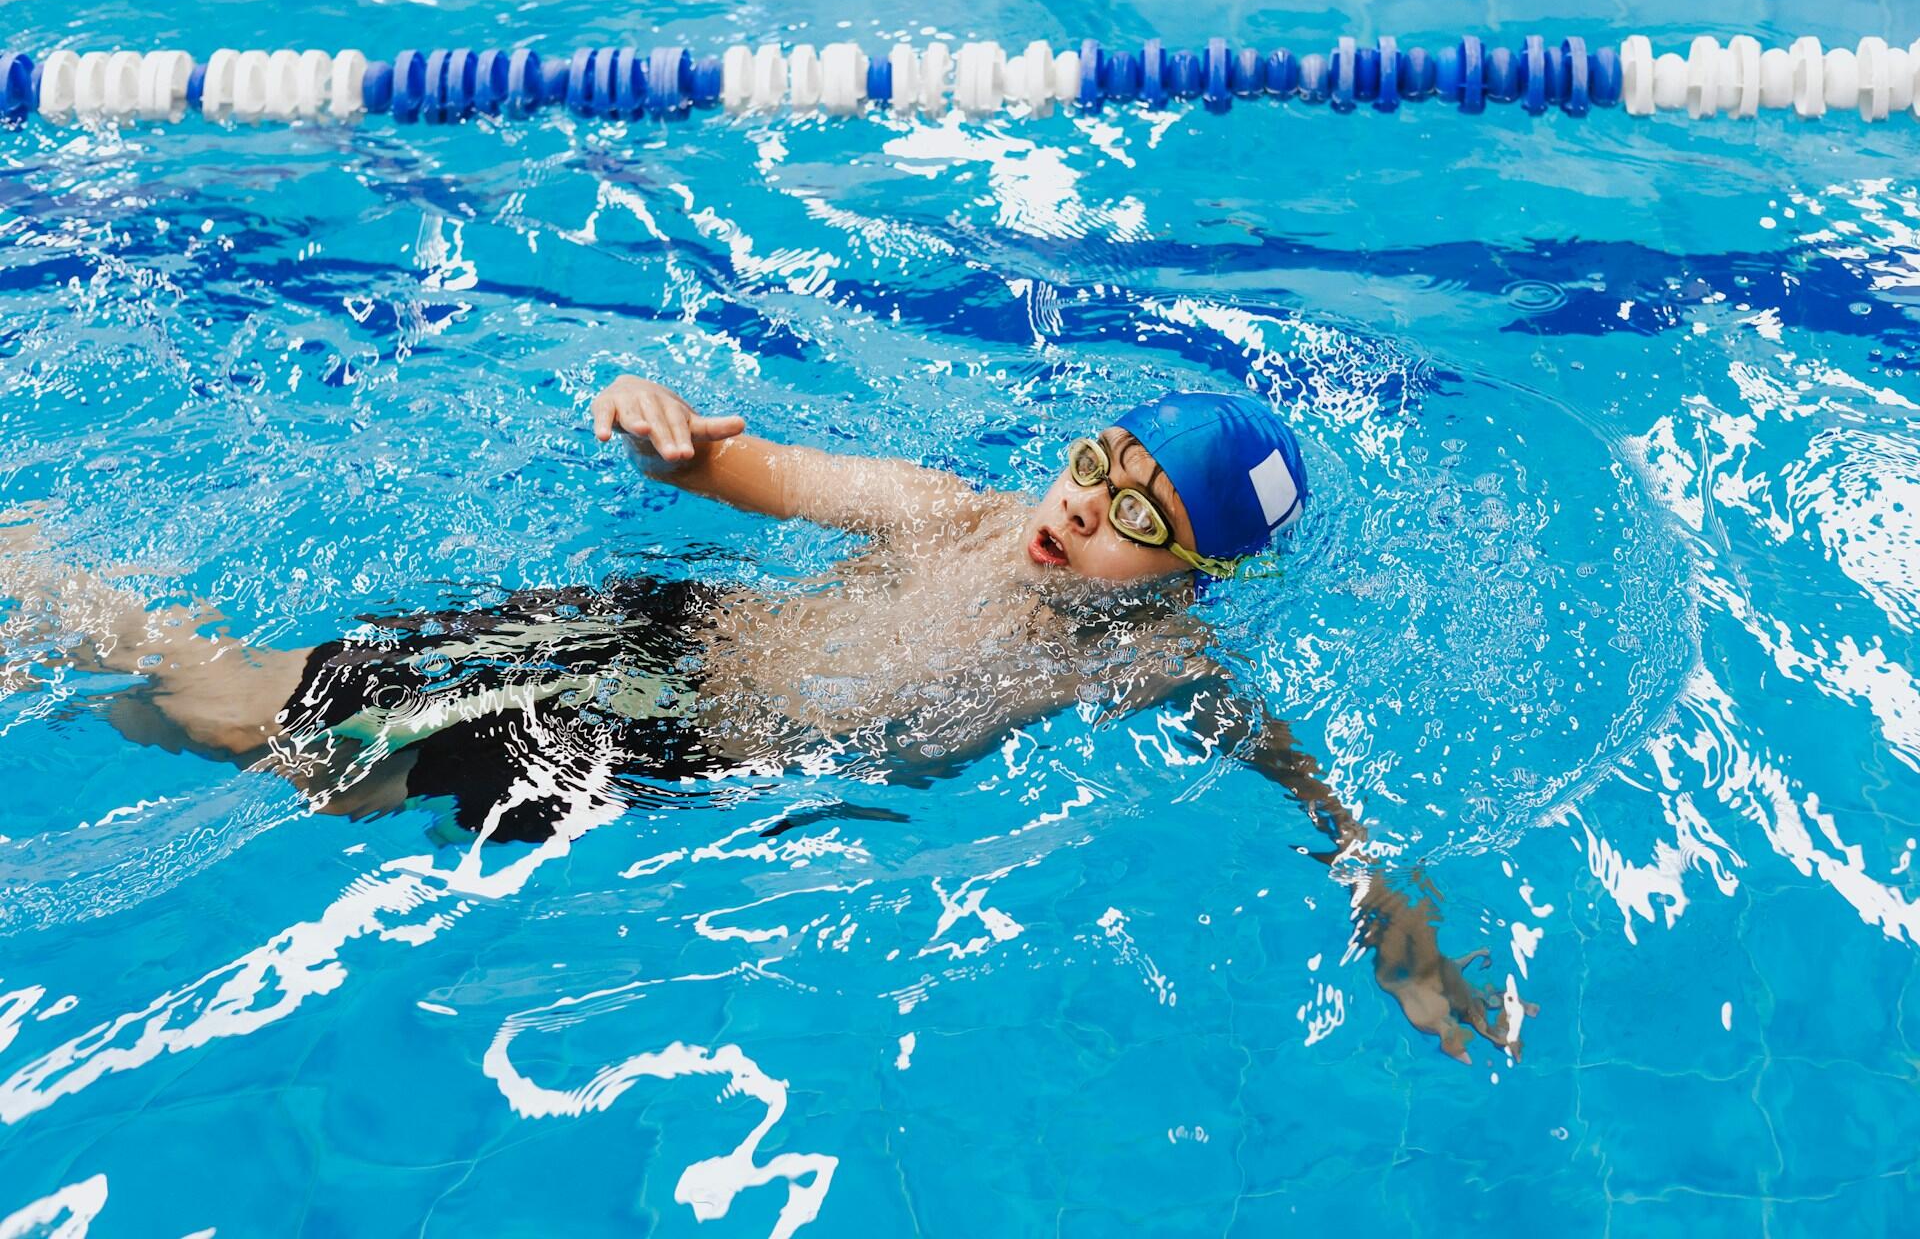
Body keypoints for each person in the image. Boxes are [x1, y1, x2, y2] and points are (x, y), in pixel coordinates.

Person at [0, 375, 1532, 1062]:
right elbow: (745, 470)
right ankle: (47, 588)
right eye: (1098, 463)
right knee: (258, 724)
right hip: (640, 660)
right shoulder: (947, 513)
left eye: (1141, 511)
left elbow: (1297, 779)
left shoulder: (1138, 665)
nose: (1084, 505)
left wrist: (1391, 914)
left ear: (1192, 577)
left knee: (235, 734)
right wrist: (659, 425)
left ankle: (63, 632)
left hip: (669, 744)